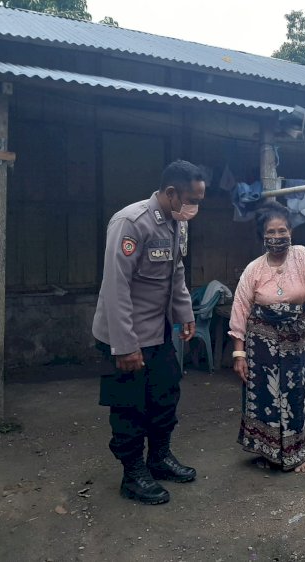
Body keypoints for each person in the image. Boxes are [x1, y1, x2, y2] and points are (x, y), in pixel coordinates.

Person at [92, 159, 206, 505]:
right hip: (124, 337)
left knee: (164, 397)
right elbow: (116, 287)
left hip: (158, 334)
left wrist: (185, 314)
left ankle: (159, 458)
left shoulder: (176, 223)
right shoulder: (131, 222)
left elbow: (176, 272)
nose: (195, 207)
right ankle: (133, 474)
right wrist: (125, 347)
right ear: (171, 193)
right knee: (130, 408)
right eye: (192, 199)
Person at [229, 201, 305, 473]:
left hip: (294, 342)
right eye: (271, 232)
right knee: (264, 397)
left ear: (291, 232)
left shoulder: (302, 257)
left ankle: (296, 453)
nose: (277, 237)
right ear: (262, 236)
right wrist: (239, 353)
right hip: (260, 344)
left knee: (294, 395)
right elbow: (240, 310)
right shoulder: (254, 269)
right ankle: (268, 451)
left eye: (282, 230)